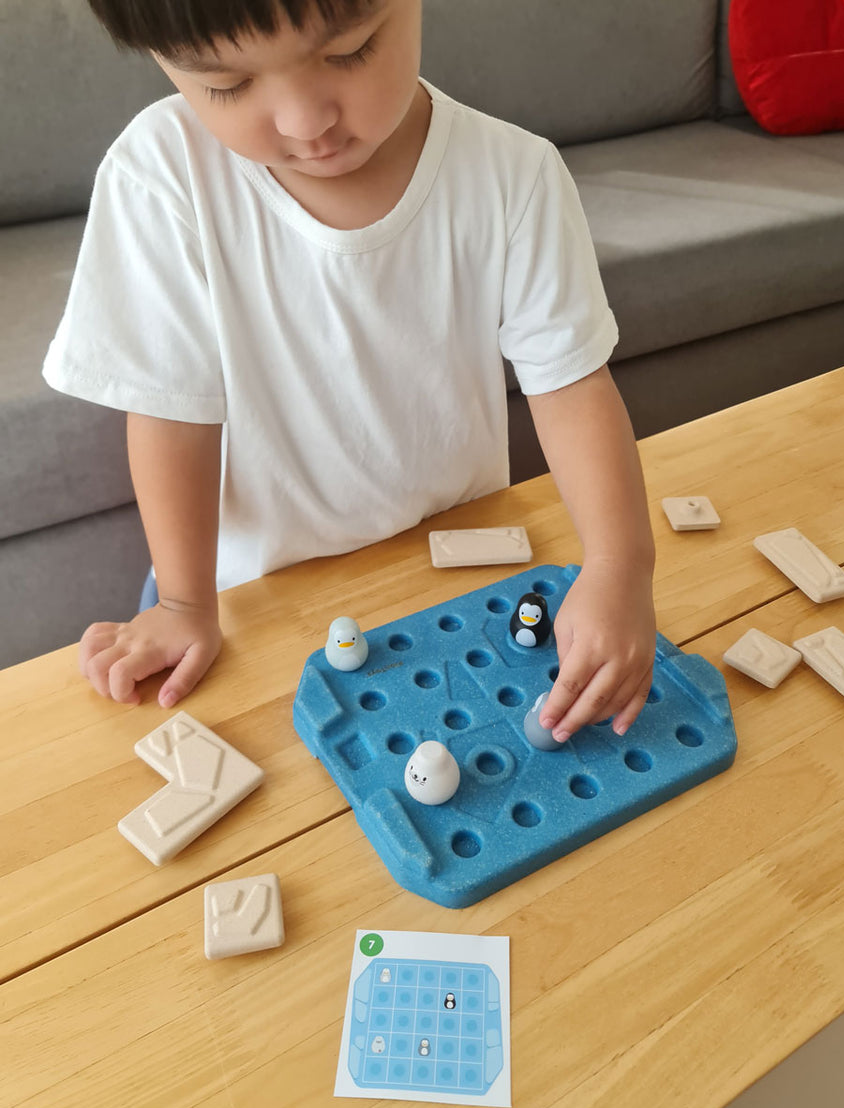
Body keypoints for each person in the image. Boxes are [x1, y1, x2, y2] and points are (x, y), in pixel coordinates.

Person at [44, 0, 656, 742]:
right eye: (228, 86)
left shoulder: (514, 175)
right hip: (242, 591)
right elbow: (171, 413)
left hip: (446, 576)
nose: (305, 121)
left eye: (350, 52)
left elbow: (572, 385)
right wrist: (180, 604)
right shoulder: (160, 177)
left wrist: (621, 565)